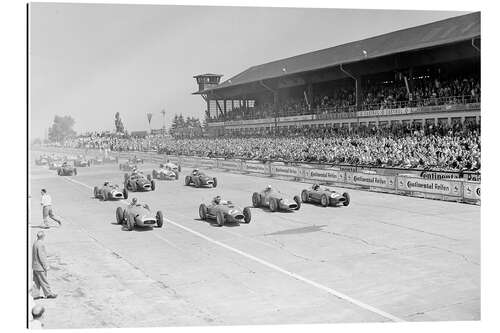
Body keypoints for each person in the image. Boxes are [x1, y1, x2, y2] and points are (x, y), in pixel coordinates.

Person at [32, 231, 57, 300]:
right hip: (40, 267)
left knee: (36, 282)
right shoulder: (41, 244)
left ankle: (35, 295)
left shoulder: (35, 243)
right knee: (44, 281)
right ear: (43, 236)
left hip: (35, 266)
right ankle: (48, 294)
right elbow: (41, 256)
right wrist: (46, 266)